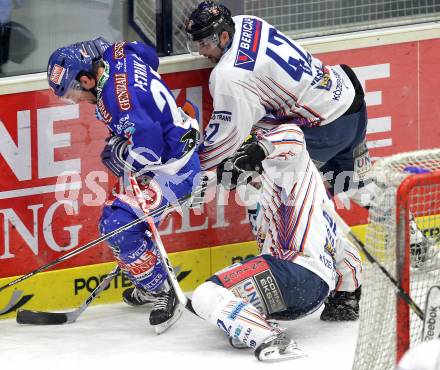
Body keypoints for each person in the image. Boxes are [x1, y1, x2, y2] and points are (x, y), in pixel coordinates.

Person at [185, 1, 363, 321]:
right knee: (353, 189)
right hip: (349, 98)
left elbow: (226, 137)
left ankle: (278, 264)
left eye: (205, 43)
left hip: (321, 129)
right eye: (195, 43)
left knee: (270, 193)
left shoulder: (228, 76)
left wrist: (197, 173)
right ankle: (405, 254)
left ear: (224, 37)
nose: (200, 51)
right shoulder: (246, 21)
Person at [46, 38, 201, 334]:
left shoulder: (116, 100)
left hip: (175, 171)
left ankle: (162, 290)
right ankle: (149, 279)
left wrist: (122, 154)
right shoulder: (117, 53)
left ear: (88, 79)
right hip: (182, 141)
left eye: (73, 92)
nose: (75, 99)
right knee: (124, 216)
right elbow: (148, 56)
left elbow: (150, 152)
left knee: (117, 225)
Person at [190, 120, 362, 361]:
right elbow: (346, 253)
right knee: (221, 303)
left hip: (295, 272)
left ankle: (269, 338)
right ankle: (254, 325)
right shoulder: (308, 200)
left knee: (205, 295)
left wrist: (258, 150)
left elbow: (293, 135)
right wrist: (345, 297)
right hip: (307, 292)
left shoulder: (287, 166)